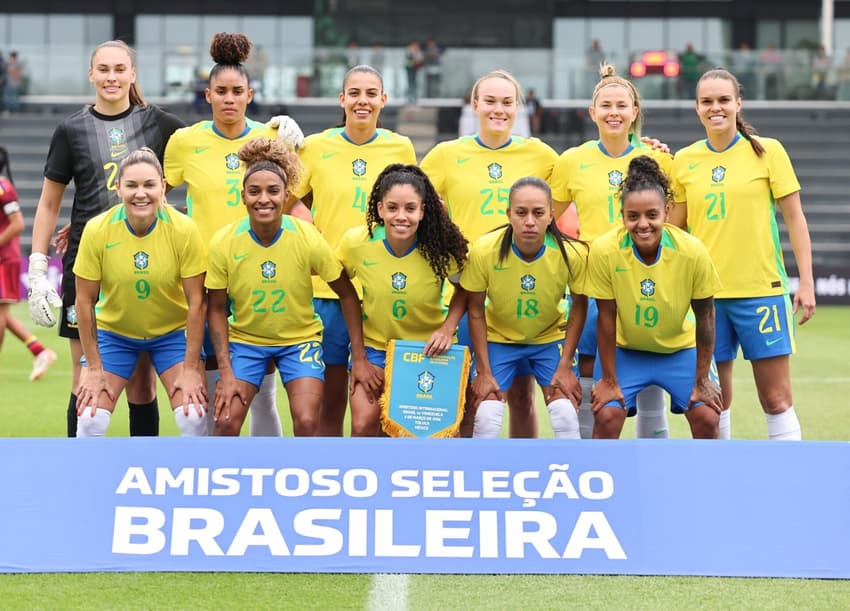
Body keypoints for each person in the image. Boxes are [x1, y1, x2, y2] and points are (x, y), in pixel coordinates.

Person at [27, 40, 186, 437]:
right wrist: (37, 267)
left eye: (120, 69)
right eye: (104, 69)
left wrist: (272, 133)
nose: (111, 77)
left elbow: (216, 148)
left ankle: (141, 471)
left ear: (133, 74)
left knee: (142, 384)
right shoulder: (71, 130)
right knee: (84, 380)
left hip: (145, 262)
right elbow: (48, 204)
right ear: (91, 74)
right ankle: (77, 471)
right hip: (86, 264)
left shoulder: (161, 123)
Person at [164, 32, 305, 437]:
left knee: (261, 391)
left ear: (250, 94)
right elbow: (155, 194)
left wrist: (299, 145)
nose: (229, 98)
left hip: (259, 275)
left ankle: (266, 472)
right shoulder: (185, 141)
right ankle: (209, 470)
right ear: (207, 95)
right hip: (206, 280)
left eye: (237, 91)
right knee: (211, 387)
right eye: (220, 91)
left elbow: (296, 197)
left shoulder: (271, 138)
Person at [670, 68, 816, 440]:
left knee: (776, 399)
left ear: (738, 103)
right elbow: (673, 231)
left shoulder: (769, 152)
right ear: (696, 108)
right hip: (706, 298)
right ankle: (721, 484)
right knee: (714, 401)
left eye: (723, 100)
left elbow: (796, 220)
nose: (715, 107)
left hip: (760, 292)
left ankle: (787, 485)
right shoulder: (684, 160)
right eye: (707, 101)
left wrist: (807, 283)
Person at [421, 69, 564, 438]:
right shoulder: (445, 154)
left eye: (506, 102)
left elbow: (585, 174)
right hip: (467, 293)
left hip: (519, 289)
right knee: (472, 396)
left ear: (518, 107)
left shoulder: (540, 154)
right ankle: (472, 479)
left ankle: (522, 477)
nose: (498, 109)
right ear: (475, 104)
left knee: (521, 397)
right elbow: (410, 198)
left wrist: (642, 142)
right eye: (490, 101)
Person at [206, 137, 380, 436]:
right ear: (243, 196)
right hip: (247, 341)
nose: (264, 199)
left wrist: (360, 357)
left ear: (286, 195)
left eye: (273, 191)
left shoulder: (306, 236)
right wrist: (225, 371)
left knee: (307, 420)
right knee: (225, 421)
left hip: (299, 341)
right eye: (255, 191)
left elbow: (347, 295)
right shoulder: (224, 241)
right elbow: (217, 307)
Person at [285, 64, 416, 436]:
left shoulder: (399, 146)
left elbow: (410, 205)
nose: (363, 100)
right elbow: (283, 201)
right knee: (330, 400)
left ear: (383, 100)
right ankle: (331, 484)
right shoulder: (316, 146)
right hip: (327, 291)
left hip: (383, 291)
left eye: (371, 93)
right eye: (355, 93)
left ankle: (376, 484)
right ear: (342, 99)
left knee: (378, 403)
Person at [550, 63, 674, 439]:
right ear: (592, 113)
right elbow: (548, 221)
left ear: (634, 111)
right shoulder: (572, 160)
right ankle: (591, 462)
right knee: (589, 370)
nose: (614, 113)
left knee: (649, 369)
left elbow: (675, 221)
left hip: (645, 280)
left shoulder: (659, 159)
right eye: (606, 106)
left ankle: (651, 462)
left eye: (622, 106)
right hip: (593, 285)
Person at [73, 148, 208, 437]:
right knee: (90, 418)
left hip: (172, 335)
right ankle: (86, 480)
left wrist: (191, 367)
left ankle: (192, 479)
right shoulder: (97, 230)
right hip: (115, 334)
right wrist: (94, 368)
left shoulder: (184, 230)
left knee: (193, 416)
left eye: (149, 185)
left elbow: (197, 302)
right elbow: (84, 302)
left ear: (162, 185)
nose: (140, 194)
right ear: (118, 187)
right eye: (132, 185)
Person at [587, 156, 723, 439]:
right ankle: (602, 480)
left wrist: (702, 379)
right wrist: (610, 380)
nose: (643, 224)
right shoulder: (604, 250)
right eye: (632, 216)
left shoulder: (692, 251)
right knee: (607, 414)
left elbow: (706, 317)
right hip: (627, 351)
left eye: (652, 214)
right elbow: (606, 317)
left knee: (707, 415)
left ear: (667, 212)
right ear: (622, 214)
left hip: (680, 350)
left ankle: (707, 481)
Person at [336, 164, 468, 436]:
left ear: (423, 210)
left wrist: (446, 329)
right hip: (376, 350)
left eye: (410, 208)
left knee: (429, 433)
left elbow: (465, 289)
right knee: (362, 424)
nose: (401, 216)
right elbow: (344, 290)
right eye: (393, 207)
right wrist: (358, 357)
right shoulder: (356, 243)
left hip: (429, 353)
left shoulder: (441, 248)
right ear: (380, 208)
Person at [460, 177, 588, 439]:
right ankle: (483, 476)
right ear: (509, 214)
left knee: (565, 412)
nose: (530, 221)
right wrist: (483, 371)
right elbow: (475, 310)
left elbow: (579, 306)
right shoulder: (485, 250)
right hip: (499, 338)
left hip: (548, 339)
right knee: (486, 415)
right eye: (521, 212)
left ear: (551, 216)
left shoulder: (571, 254)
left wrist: (565, 365)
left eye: (538, 213)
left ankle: (571, 474)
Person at [0, 158, 57, 380]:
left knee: (1, 313)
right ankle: (41, 352)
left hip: (4, 259)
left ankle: (41, 352)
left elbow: (18, 223)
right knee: (3, 313)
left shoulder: (3, 187)